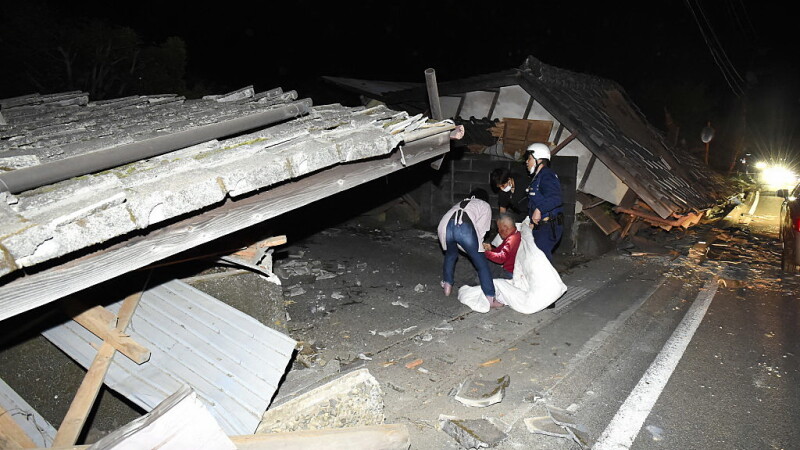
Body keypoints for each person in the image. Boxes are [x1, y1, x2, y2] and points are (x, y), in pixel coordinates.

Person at [437, 188, 502, 308]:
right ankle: (490, 298)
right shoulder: (485, 205)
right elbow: (481, 231)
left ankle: (447, 286)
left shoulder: (461, 202)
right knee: (482, 265)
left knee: (450, 256)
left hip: (445, 226)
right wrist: (478, 248)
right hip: (464, 228)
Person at [525, 143, 564, 262]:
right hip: (541, 226)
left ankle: (546, 281)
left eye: (529, 158)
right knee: (536, 259)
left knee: (541, 261)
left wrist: (539, 210)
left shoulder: (547, 175)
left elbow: (556, 198)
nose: (527, 162)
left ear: (539, 159)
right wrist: (531, 221)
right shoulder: (538, 177)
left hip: (548, 226)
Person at [482, 214, 521, 279]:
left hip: (508, 273)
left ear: (505, 228)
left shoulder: (511, 240)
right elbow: (500, 250)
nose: (498, 231)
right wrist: (490, 249)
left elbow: (501, 259)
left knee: (484, 262)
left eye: (499, 228)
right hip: (510, 270)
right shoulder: (515, 234)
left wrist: (485, 252)